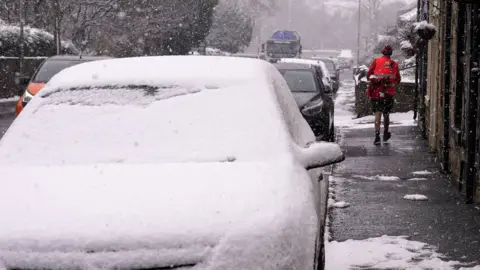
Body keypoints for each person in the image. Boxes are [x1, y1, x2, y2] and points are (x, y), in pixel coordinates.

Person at [366, 45, 401, 145]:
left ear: (382, 53)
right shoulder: (394, 64)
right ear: (391, 54)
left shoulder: (376, 61)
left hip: (376, 92)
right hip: (388, 93)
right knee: (386, 114)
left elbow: (369, 74)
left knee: (378, 113)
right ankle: (385, 134)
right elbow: (398, 79)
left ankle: (377, 136)